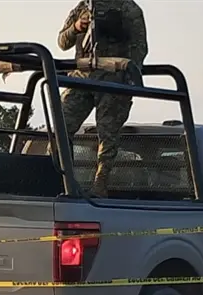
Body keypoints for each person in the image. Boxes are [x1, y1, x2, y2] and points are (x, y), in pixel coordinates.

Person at [56, 0, 148, 197]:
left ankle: (100, 185)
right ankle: (63, 182)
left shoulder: (128, 8)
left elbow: (139, 47)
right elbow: (62, 42)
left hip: (113, 78)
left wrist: (130, 76)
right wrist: (76, 27)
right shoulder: (83, 7)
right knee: (60, 128)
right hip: (81, 76)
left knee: (107, 136)